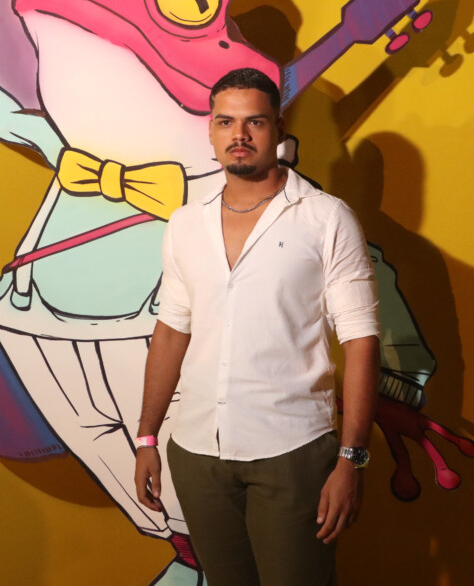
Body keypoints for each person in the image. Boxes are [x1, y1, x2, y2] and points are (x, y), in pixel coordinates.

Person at [134, 68, 381, 586]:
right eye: (226, 122)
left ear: (278, 129)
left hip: (292, 451)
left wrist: (351, 459)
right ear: (211, 130)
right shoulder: (185, 223)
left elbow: (361, 342)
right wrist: (147, 437)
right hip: (197, 451)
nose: (239, 135)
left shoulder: (326, 219)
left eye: (255, 122)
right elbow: (171, 333)